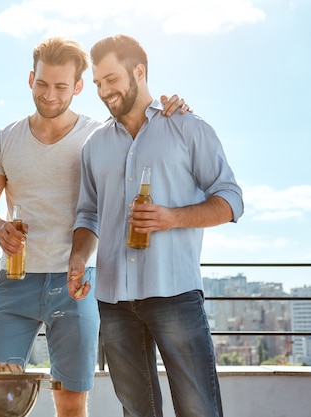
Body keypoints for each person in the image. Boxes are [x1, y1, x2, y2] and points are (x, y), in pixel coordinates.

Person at [0, 37, 190, 417]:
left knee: (70, 401)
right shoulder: (4, 140)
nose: (50, 95)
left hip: (78, 282)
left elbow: (147, 132)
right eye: (42, 84)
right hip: (14, 280)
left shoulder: (99, 135)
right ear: (30, 80)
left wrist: (174, 108)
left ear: (77, 87)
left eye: (60, 86)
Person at [68, 34, 244, 417]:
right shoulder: (94, 145)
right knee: (137, 412)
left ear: (139, 71)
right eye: (97, 83)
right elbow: (87, 215)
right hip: (113, 299)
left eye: (111, 79)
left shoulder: (187, 128)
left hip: (174, 293)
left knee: (198, 409)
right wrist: (79, 258)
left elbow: (231, 201)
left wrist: (173, 217)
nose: (103, 91)